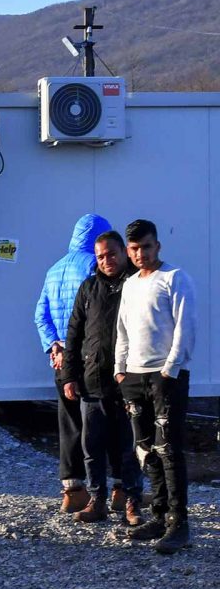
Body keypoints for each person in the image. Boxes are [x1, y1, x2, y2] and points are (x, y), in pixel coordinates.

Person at [115, 219, 196, 554]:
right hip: (134, 377)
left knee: (170, 450)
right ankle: (159, 516)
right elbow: (122, 330)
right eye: (133, 248)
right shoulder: (131, 284)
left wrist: (170, 369)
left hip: (165, 378)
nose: (140, 254)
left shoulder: (174, 278)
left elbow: (185, 325)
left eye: (145, 247)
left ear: (157, 246)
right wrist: (120, 371)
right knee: (146, 450)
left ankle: (180, 525)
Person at [60, 230, 143, 526]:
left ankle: (133, 501)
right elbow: (74, 335)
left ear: (123, 252)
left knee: (130, 447)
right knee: (91, 446)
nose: (106, 260)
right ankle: (97, 501)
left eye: (111, 254)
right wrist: (70, 375)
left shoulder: (137, 285)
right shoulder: (89, 287)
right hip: (92, 381)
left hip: (129, 380)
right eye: (101, 256)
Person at [34, 213, 112, 514]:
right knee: (95, 423)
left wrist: (53, 346)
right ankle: (107, 490)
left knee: (67, 423)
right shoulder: (94, 265)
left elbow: (40, 314)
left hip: (60, 358)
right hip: (88, 357)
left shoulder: (54, 269)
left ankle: (71, 489)